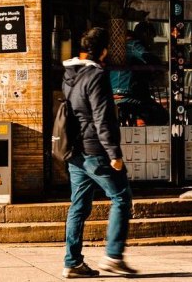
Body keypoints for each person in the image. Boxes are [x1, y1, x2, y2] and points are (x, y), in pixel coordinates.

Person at [62, 27, 137, 278]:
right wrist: (114, 153)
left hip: (75, 151)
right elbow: (102, 117)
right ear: (104, 51)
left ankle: (72, 262)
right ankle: (113, 256)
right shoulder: (96, 76)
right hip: (95, 150)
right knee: (121, 198)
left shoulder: (70, 74)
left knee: (78, 206)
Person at [110, 22, 170, 126]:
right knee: (162, 115)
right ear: (146, 34)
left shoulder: (121, 48)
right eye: (151, 37)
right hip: (129, 95)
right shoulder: (134, 44)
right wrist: (162, 66)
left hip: (116, 94)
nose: (152, 42)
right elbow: (149, 58)